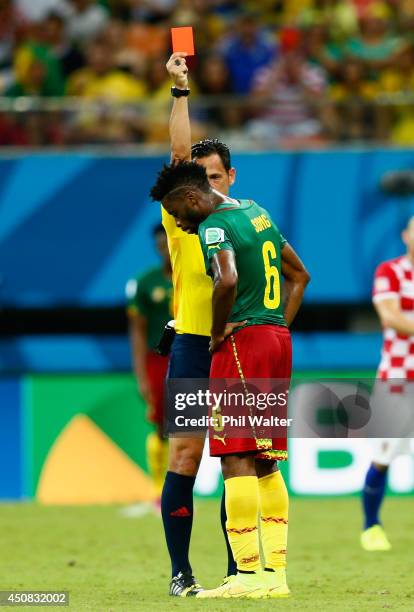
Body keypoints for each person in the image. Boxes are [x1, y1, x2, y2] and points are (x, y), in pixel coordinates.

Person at [150, 160, 310, 599]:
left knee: (237, 455)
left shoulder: (211, 227)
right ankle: (187, 571)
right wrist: (276, 326)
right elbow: (300, 273)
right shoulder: (256, 212)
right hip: (207, 345)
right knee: (207, 456)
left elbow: (228, 279)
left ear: (197, 193)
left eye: (179, 217)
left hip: (229, 344)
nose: (177, 227)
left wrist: (221, 331)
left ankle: (244, 573)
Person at [361, 216, 414, 551]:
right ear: (405, 235)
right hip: (398, 376)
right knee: (385, 452)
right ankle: (371, 526)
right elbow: (391, 317)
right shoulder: (391, 271)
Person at [126, 223, 172, 507]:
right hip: (159, 360)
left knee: (191, 426)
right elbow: (137, 331)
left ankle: (183, 487)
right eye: (159, 243)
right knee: (161, 425)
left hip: (194, 355)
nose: (164, 247)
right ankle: (159, 491)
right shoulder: (145, 283)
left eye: (167, 241)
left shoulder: (198, 274)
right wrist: (141, 375)